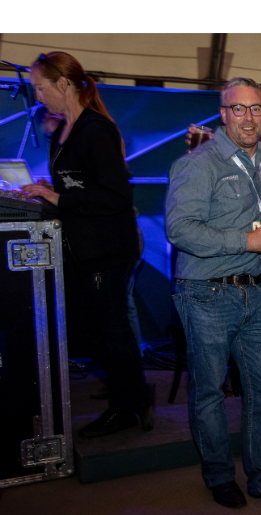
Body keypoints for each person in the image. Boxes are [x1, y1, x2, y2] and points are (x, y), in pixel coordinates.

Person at [165, 77, 261, 512]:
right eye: (238, 109)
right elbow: (179, 229)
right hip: (204, 293)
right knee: (209, 393)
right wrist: (246, 241)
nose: (248, 117)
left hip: (253, 294)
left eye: (256, 108)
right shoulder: (198, 163)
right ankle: (219, 476)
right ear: (223, 114)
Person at [22, 51, 153, 438]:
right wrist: (49, 191)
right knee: (86, 329)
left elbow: (115, 196)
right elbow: (77, 187)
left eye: (40, 87)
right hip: (83, 248)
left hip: (105, 250)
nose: (37, 95)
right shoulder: (65, 130)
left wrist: (57, 197)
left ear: (63, 84)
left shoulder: (95, 130)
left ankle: (128, 405)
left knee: (110, 330)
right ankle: (131, 391)